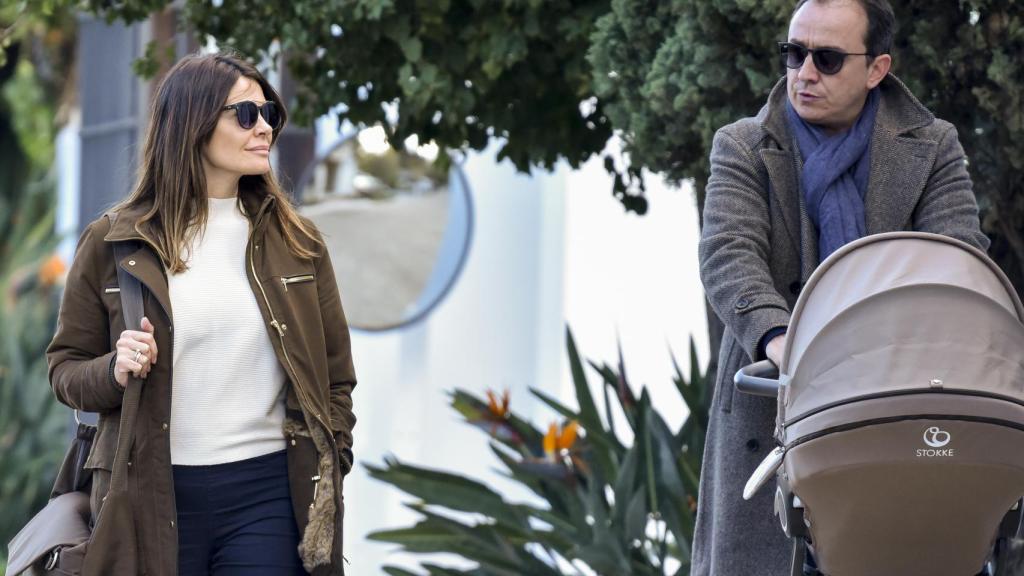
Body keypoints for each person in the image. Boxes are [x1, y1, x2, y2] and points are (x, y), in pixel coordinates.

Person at [692, 0, 989, 573]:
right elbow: (728, 255)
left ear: (877, 69)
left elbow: (956, 262)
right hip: (773, 401)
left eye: (826, 58)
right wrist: (785, 344)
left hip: (896, 401)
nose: (804, 73)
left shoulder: (932, 146)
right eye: (793, 53)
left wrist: (881, 352)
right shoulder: (743, 144)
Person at [46, 51, 357, 576]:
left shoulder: (297, 244)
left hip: (267, 496)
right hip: (149, 496)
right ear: (193, 124)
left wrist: (332, 462)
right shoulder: (114, 241)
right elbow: (65, 369)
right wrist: (113, 369)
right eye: (245, 114)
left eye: (270, 114)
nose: (264, 129)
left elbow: (336, 377)